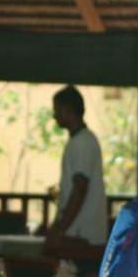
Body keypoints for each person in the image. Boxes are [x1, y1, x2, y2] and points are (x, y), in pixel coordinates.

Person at [44, 85, 107, 248]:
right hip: (79, 232)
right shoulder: (80, 141)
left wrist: (60, 228)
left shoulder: (83, 142)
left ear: (67, 110)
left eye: (57, 110)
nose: (54, 115)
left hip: (82, 235)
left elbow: (80, 188)